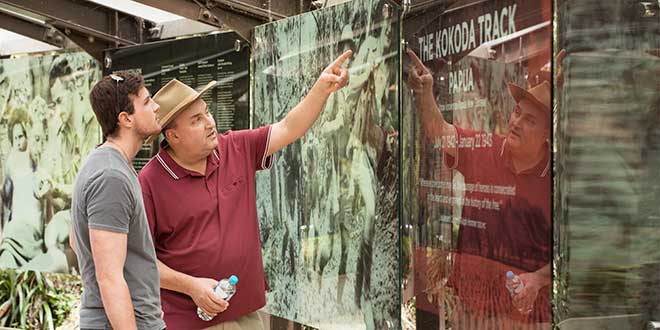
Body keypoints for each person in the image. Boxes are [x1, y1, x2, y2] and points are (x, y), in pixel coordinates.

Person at [138, 50, 352, 329]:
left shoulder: (236, 147)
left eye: (207, 113)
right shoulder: (149, 182)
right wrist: (191, 286)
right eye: (196, 120)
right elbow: (140, 261)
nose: (210, 123)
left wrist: (322, 88)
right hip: (190, 321)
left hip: (247, 314)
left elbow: (289, 127)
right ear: (173, 135)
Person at [408, 49, 551, 327]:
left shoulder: (555, 178)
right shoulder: (486, 148)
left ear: (547, 135)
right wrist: (425, 93)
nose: (516, 123)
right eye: (517, 113)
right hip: (471, 309)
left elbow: (571, 254)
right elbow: (438, 130)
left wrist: (539, 279)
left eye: (529, 120)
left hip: (527, 318)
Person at [70, 71, 165, 330]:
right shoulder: (111, 176)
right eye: (146, 102)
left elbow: (76, 241)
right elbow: (109, 277)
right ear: (126, 119)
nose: (156, 106)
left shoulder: (108, 164)